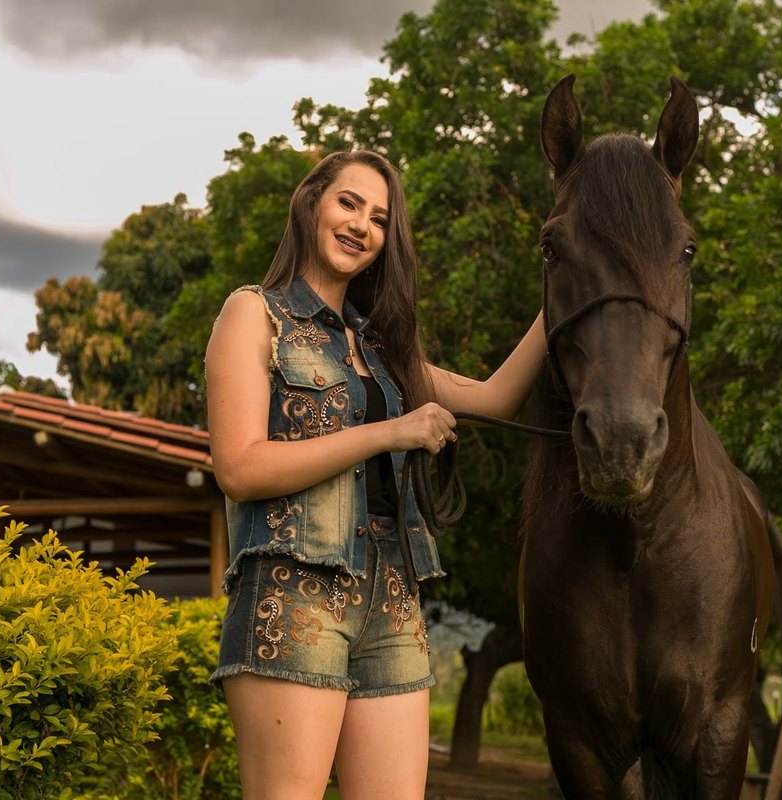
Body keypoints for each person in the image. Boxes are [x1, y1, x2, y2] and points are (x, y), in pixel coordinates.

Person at [205, 149, 546, 800]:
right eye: (349, 203)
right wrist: (392, 431)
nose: (362, 224)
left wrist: (565, 294)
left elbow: (498, 399)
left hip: (393, 599)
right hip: (293, 592)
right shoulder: (256, 315)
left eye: (380, 218)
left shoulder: (385, 346)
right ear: (310, 204)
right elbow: (240, 467)